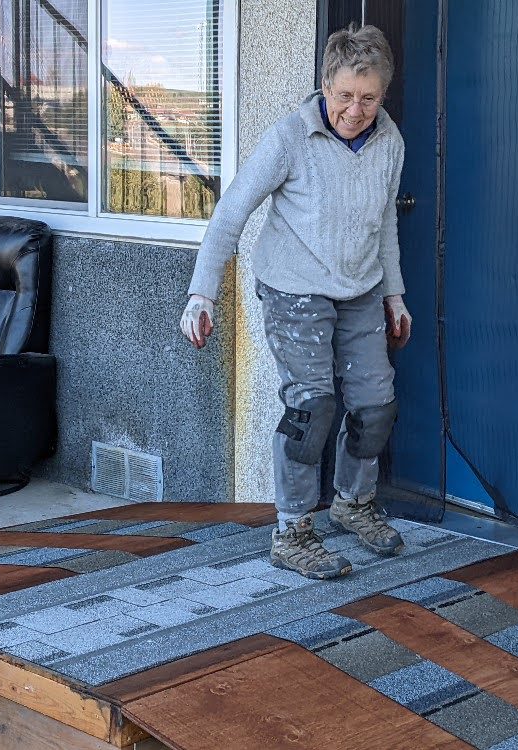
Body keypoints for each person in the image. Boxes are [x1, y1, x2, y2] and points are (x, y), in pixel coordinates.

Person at [179, 24, 413, 580]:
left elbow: (384, 223)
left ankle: (353, 503)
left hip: (360, 288)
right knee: (312, 408)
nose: (355, 110)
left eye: (369, 98)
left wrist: (395, 294)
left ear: (383, 94)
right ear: (325, 86)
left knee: (376, 407)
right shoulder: (289, 138)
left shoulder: (390, 142)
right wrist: (201, 292)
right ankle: (292, 532)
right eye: (345, 95)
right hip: (294, 288)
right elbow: (231, 212)